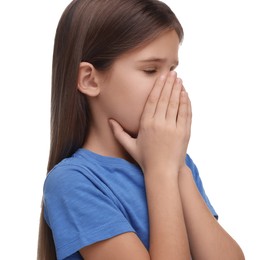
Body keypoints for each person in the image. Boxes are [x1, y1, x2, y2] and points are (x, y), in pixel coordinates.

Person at [37, 0, 245, 259]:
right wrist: (160, 171)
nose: (170, 85)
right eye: (150, 70)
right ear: (90, 79)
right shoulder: (73, 182)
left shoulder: (177, 163)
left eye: (172, 70)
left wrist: (176, 168)